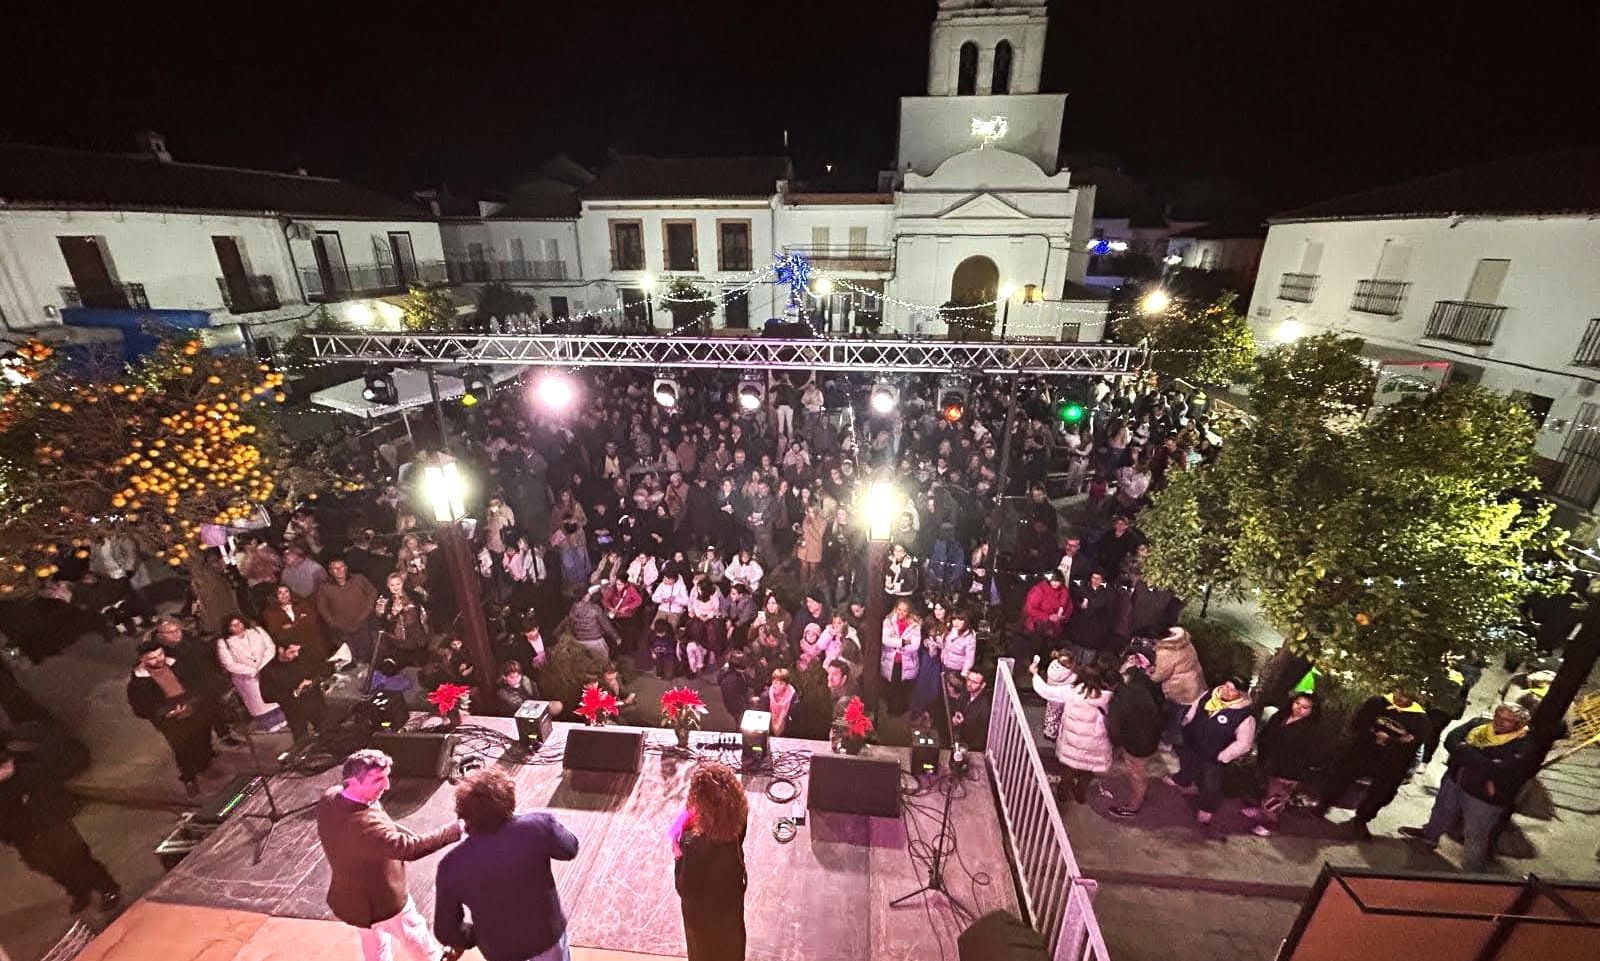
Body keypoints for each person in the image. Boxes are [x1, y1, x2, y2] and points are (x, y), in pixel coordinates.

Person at [317, 749, 465, 961]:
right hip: (382, 900)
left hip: (352, 900)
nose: (386, 785)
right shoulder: (365, 825)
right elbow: (409, 848)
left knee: (374, 944)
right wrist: (455, 830)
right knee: (415, 935)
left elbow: (376, 831)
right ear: (353, 781)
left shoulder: (331, 797)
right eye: (378, 779)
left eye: (386, 776)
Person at [435, 768, 580, 961]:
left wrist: (475, 936)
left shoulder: (450, 866)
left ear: (463, 815)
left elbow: (446, 930)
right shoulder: (537, 826)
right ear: (509, 800)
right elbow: (569, 848)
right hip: (547, 937)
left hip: (500, 950)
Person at [1399, 704, 1539, 872]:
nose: (1499, 722)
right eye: (1497, 716)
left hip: (1484, 796)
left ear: (1519, 724)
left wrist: (1465, 751)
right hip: (1455, 779)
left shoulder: (1525, 744)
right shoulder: (1478, 724)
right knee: (1441, 811)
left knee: (1475, 834)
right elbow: (1451, 739)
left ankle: (1472, 871)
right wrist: (1481, 758)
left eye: (1507, 721)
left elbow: (1499, 769)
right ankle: (1429, 837)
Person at [0, 747, 121, 914]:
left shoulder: (30, 774)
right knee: (53, 869)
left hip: (52, 829)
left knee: (77, 861)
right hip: (25, 838)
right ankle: (79, 891)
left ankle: (107, 888)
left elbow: (55, 800)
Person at [1313, 691, 1433, 839]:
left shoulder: (1421, 720)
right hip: (1364, 749)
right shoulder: (1377, 702)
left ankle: (1362, 819)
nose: (1399, 698)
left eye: (1405, 696)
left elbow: (1411, 746)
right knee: (1342, 774)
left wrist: (1388, 741)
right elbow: (1357, 724)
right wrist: (1384, 737)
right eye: (1398, 693)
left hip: (1392, 761)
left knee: (1383, 791)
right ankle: (1324, 804)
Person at [671, 763, 749, 961]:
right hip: (730, 904)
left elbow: (684, 888)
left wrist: (678, 855)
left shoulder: (693, 844)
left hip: (703, 917)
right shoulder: (738, 819)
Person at [127, 639, 216, 795]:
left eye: (160, 654)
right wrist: (166, 712)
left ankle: (204, 762)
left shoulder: (177, 664)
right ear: (143, 660)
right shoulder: (138, 683)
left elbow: (196, 682)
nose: (159, 659)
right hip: (170, 720)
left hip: (193, 707)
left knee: (202, 736)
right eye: (153, 657)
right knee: (182, 748)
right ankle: (189, 778)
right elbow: (141, 708)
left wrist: (193, 701)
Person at [1168, 675, 1256, 827]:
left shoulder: (1243, 715)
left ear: (1241, 694)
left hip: (1214, 754)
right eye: (1226, 686)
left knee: (1211, 782)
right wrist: (1186, 724)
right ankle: (1182, 780)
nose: (1227, 691)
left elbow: (1244, 743)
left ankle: (1207, 809)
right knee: (1187, 763)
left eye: (1233, 690)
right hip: (1193, 743)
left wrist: (1224, 756)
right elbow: (1194, 709)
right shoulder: (1209, 695)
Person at [1031, 657, 1114, 804]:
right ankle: (1080, 794)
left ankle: (1063, 793)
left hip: (1073, 741)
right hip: (1095, 742)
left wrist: (1035, 674)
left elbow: (1045, 691)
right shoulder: (1108, 696)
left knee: (1069, 768)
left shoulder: (1071, 692)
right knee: (1088, 769)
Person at [1240, 692, 1323, 836]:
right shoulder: (1280, 716)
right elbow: (1266, 735)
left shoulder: (1311, 730)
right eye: (1297, 703)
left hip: (1288, 770)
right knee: (1265, 790)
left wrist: (1293, 775)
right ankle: (1260, 811)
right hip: (1268, 762)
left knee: (1276, 797)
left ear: (1312, 711)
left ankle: (1270, 824)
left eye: (1305, 707)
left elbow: (1308, 756)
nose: (1298, 708)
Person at [1106, 653, 1166, 819]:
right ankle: (1139, 793)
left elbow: (1116, 725)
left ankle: (1133, 805)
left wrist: (1116, 742)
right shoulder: (1147, 686)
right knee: (1140, 771)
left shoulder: (1124, 694)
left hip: (1137, 742)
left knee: (1136, 773)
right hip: (1149, 736)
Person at [216, 615, 281, 731]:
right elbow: (229, 664)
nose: (237, 626)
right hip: (247, 678)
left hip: (266, 669)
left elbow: (270, 647)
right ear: (228, 628)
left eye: (239, 623)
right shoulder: (224, 643)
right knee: (259, 703)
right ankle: (269, 724)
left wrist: (262, 665)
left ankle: (283, 719)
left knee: (275, 696)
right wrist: (251, 670)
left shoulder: (257, 631)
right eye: (233, 625)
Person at [257, 640, 327, 742]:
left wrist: (312, 681)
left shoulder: (303, 658)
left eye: (297, 651)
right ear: (281, 650)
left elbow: (318, 670)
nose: (296, 654)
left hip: (315, 702)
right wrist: (294, 693)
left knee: (325, 730)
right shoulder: (268, 671)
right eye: (292, 652)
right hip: (294, 709)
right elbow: (267, 697)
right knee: (301, 739)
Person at [1149, 626, 1207, 745]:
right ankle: (1180, 735)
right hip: (1194, 683)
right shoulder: (1183, 642)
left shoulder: (1166, 652)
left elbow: (1162, 673)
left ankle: (1173, 739)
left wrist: (1150, 675)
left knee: (1174, 715)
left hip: (1180, 689)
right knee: (1183, 714)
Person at [317, 558, 379, 664]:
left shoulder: (359, 579)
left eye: (341, 566)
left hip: (363, 625)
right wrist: (333, 623)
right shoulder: (325, 587)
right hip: (342, 630)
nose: (339, 570)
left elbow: (372, 593)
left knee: (369, 653)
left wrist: (365, 613)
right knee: (351, 657)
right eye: (335, 568)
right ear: (330, 571)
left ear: (346, 568)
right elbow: (322, 608)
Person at [880, 600, 922, 716]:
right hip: (891, 661)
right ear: (895, 608)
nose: (901, 613)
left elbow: (915, 645)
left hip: (906, 662)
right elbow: (885, 640)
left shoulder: (915, 625)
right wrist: (903, 642)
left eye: (904, 610)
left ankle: (901, 711)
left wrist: (897, 645)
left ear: (909, 611)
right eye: (899, 609)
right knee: (891, 687)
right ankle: (891, 711)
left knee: (903, 689)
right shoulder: (888, 621)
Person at [948, 670, 992, 749]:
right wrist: (955, 716)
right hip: (957, 739)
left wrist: (961, 723)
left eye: (974, 682)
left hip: (970, 746)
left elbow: (980, 735)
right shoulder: (966, 692)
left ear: (983, 685)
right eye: (969, 680)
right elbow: (957, 707)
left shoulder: (985, 706)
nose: (969, 684)